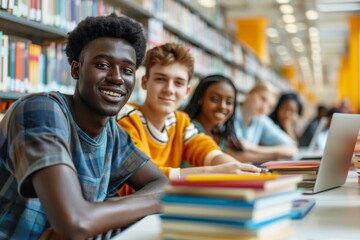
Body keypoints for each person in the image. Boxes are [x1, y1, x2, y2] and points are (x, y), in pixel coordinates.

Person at [0, 14, 169, 239]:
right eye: (102, 65)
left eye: (127, 71)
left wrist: (99, 213)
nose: (117, 78)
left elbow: (163, 185)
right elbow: (76, 222)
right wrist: (84, 219)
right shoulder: (40, 111)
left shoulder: (113, 133)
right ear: (76, 70)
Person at [116, 43, 261, 195]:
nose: (169, 90)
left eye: (178, 83)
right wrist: (211, 172)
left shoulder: (181, 121)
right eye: (160, 79)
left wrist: (239, 170)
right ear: (145, 82)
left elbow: (210, 153)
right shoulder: (127, 118)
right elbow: (137, 181)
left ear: (186, 91)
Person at [230, 81, 298, 163]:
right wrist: (276, 155)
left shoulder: (261, 119)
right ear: (248, 94)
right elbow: (235, 156)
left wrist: (253, 148)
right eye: (263, 99)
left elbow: (292, 148)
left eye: (270, 106)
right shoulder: (229, 113)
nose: (264, 107)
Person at [184, 74, 240, 152]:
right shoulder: (190, 129)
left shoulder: (219, 134)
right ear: (201, 98)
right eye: (215, 99)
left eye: (228, 102)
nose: (223, 106)